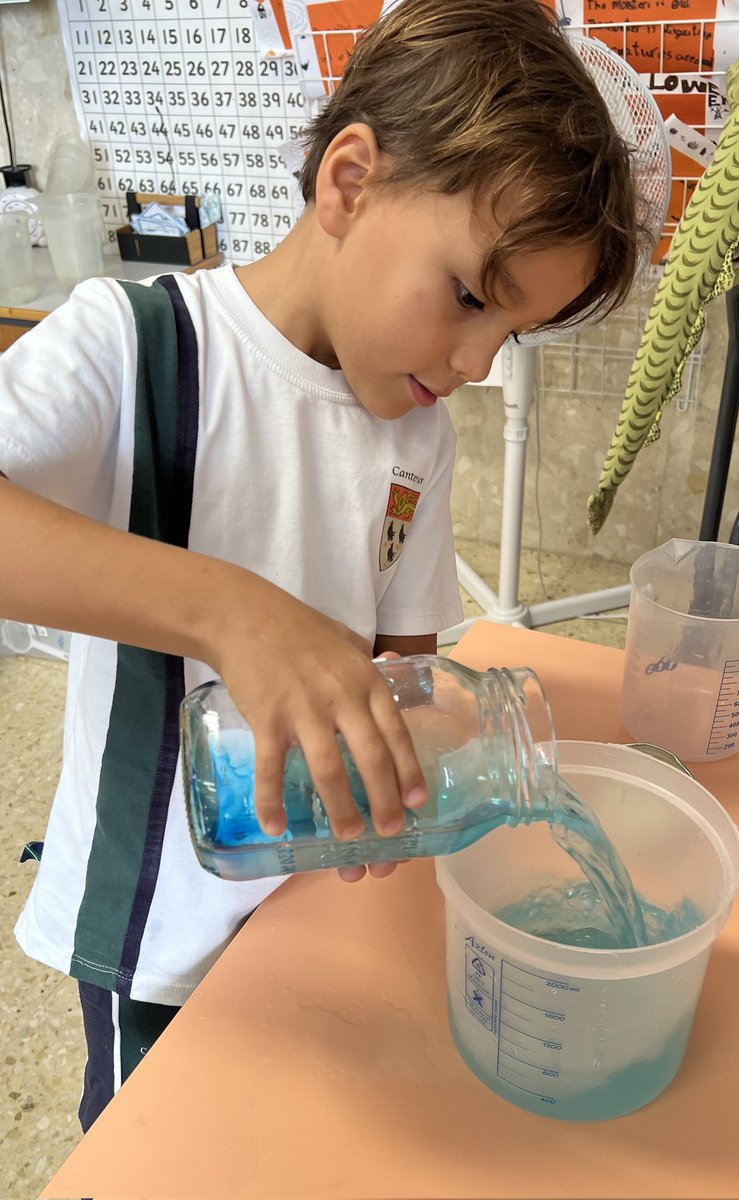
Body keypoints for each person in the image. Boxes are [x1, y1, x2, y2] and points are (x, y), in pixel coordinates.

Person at [0, 0, 643, 1131]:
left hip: (314, 921)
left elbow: (405, 666)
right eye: (469, 298)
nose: (482, 363)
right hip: (158, 940)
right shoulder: (138, 347)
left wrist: (413, 777)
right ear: (349, 181)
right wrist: (232, 614)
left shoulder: (417, 436)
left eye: (513, 334)